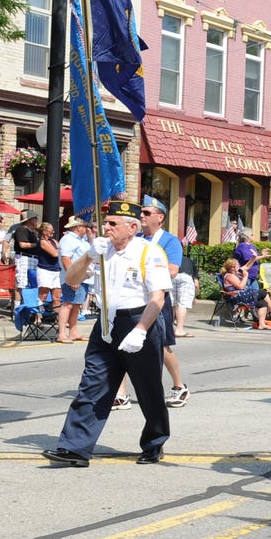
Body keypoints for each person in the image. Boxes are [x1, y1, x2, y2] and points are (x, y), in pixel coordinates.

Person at [41, 200, 173, 468]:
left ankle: (154, 442)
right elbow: (72, 280)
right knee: (92, 386)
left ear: (132, 228)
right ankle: (75, 448)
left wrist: (140, 331)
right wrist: (89, 255)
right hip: (105, 324)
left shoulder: (149, 252)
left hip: (138, 321)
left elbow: (158, 297)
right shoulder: (101, 250)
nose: (106, 228)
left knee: (148, 390)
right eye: (105, 223)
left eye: (113, 223)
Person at [139, 197, 191, 406]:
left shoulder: (169, 241)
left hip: (157, 299)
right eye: (141, 212)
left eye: (146, 213)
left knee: (161, 345)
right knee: (121, 346)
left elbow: (173, 270)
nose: (141, 216)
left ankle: (179, 386)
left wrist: (142, 274)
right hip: (133, 299)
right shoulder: (136, 239)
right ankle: (120, 394)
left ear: (160, 217)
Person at [56, 216, 92, 343]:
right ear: (78, 227)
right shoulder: (68, 239)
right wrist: (73, 278)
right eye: (85, 226)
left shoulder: (82, 240)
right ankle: (61, 333)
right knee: (68, 304)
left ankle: (73, 331)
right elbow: (66, 259)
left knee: (76, 305)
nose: (87, 228)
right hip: (74, 277)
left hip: (83, 277)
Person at [219, 257, 271, 330]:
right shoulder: (230, 276)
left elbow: (247, 266)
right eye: (238, 265)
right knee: (263, 293)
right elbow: (241, 287)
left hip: (242, 296)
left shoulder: (236, 273)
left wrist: (254, 258)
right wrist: (245, 276)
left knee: (262, 303)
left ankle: (261, 324)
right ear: (233, 267)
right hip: (236, 298)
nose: (239, 266)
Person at [35, 221, 63, 308]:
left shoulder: (54, 241)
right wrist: (61, 250)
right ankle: (39, 313)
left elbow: (62, 249)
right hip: (45, 270)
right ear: (44, 231)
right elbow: (55, 253)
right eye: (51, 231)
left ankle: (57, 314)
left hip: (56, 270)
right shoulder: (42, 242)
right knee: (43, 295)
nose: (53, 232)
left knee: (57, 297)